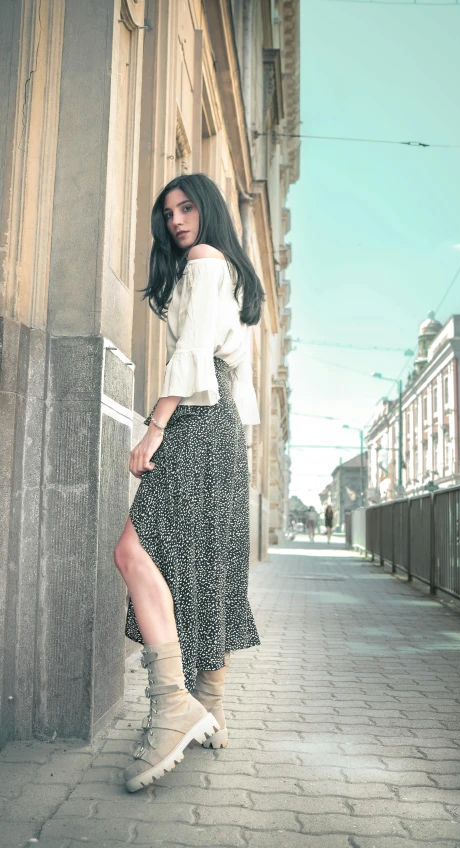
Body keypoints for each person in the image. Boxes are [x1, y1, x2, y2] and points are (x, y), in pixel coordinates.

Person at [113, 174, 264, 793]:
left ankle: (172, 702)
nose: (176, 221)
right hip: (223, 422)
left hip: (196, 417)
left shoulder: (203, 263)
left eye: (186, 207)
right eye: (167, 213)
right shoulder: (231, 270)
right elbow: (237, 376)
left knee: (133, 549)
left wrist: (154, 428)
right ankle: (211, 705)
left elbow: (193, 352)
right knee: (205, 562)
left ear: (209, 211)